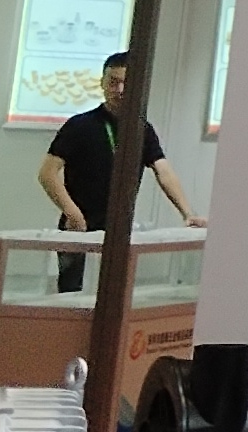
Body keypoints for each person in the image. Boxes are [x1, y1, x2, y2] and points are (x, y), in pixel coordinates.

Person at [38, 53, 205, 302]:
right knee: (72, 297)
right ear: (102, 83)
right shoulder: (80, 125)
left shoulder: (141, 129)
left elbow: (164, 172)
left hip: (119, 231)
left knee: (113, 297)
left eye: (126, 83)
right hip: (78, 229)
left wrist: (187, 213)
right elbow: (47, 173)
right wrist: (72, 213)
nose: (119, 90)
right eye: (113, 82)